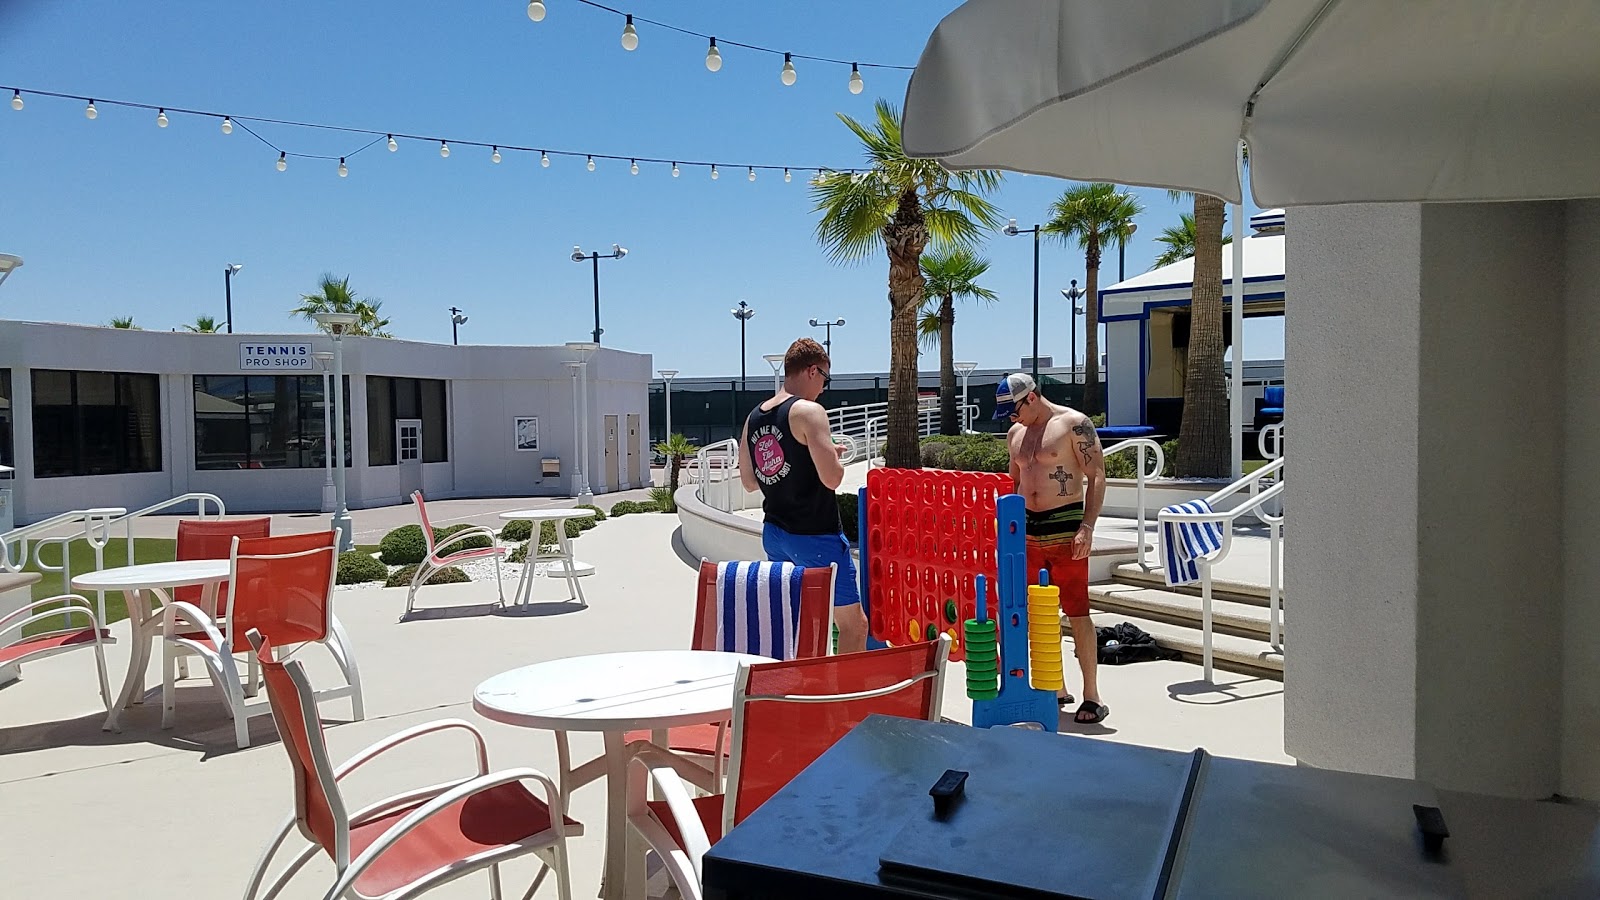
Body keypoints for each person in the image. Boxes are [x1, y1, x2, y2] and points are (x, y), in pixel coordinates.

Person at [738, 338, 868, 653]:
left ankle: (799, 679)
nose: (824, 388)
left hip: (775, 534)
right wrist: (832, 457)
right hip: (815, 536)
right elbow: (833, 478)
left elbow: (749, 482)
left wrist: (816, 455)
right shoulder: (809, 412)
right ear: (812, 371)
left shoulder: (754, 417)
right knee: (853, 625)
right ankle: (842, 687)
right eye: (825, 378)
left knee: (796, 620)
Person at [996, 373, 1109, 724]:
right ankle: (1056, 687)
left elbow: (1097, 475)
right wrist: (1007, 528)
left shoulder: (1074, 424)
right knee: (1036, 611)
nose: (1012, 419)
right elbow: (1015, 481)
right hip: (1027, 532)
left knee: (1077, 611)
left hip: (1065, 526)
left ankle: (1092, 695)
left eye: (1014, 411)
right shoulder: (1015, 434)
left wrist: (1087, 526)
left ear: (1031, 398)